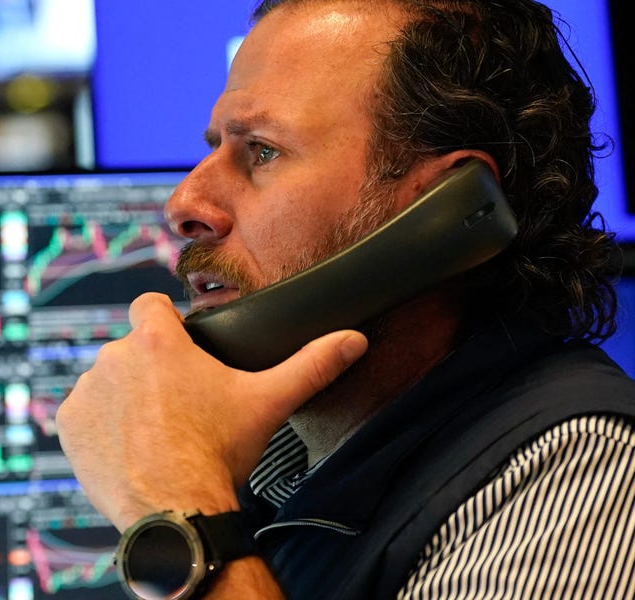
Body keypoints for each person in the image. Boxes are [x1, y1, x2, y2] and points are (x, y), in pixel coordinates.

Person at [55, 0, 635, 598]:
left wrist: (180, 505)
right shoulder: (285, 461)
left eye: (262, 151)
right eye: (214, 147)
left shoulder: (582, 481)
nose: (184, 204)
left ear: (444, 212)